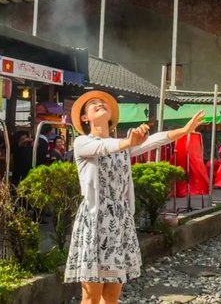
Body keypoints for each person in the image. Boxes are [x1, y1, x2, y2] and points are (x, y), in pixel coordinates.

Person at [64, 91, 204, 304]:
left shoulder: (123, 145)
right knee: (91, 297)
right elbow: (103, 147)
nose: (100, 104)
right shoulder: (83, 143)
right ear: (85, 118)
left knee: (112, 295)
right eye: (93, 104)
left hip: (119, 222)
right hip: (95, 221)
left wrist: (184, 130)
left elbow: (154, 141)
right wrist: (129, 142)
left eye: (103, 103)